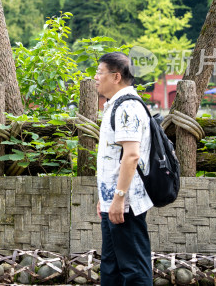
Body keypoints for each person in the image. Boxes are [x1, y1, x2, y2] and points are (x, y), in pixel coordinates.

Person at [94, 52, 153, 286]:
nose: (96, 78)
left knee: (133, 268)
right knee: (111, 266)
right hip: (114, 201)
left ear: (116, 76)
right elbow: (113, 156)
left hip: (126, 203)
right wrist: (105, 198)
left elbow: (131, 156)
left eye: (99, 72)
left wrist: (119, 198)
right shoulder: (116, 105)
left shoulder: (128, 107)